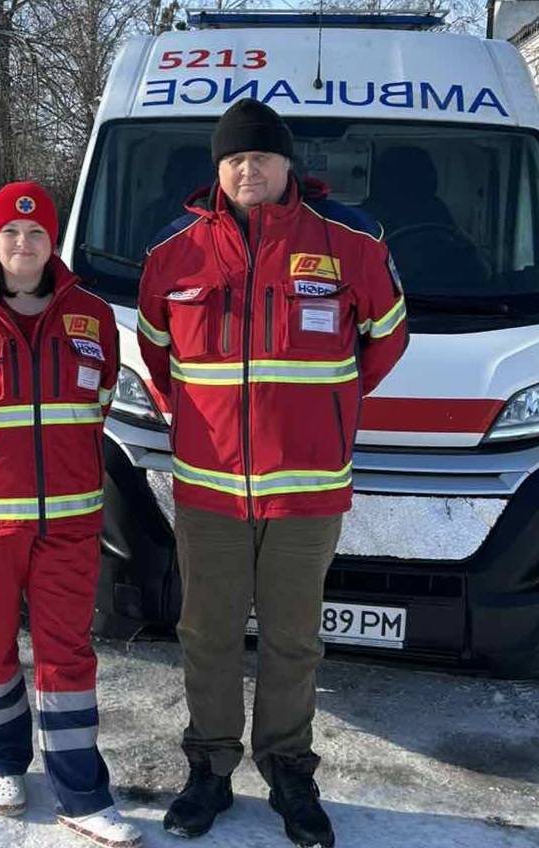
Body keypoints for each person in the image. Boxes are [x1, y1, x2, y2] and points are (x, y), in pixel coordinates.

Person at [137, 100, 408, 848]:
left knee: (293, 640)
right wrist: (199, 420)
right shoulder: (173, 252)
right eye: (233, 159)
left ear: (288, 164)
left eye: (260, 156)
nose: (247, 169)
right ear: (217, 169)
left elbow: (386, 339)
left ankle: (289, 770)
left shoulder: (350, 241)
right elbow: (157, 353)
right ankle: (210, 769)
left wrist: (327, 408)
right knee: (207, 634)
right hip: (209, 489)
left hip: (307, 488)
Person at [0, 181, 142, 848]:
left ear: (52, 240)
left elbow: (98, 403)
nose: (23, 243)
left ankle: (82, 794)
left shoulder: (91, 315)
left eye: (36, 232)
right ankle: (0, 763)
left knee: (68, 654)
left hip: (69, 522)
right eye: (11, 231)